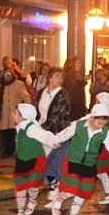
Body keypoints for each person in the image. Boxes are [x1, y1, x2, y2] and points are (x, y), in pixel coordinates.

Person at [49, 104, 109, 215]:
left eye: (104, 124)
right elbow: (63, 135)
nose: (101, 127)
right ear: (92, 117)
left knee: (82, 193)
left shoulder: (105, 132)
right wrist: (54, 141)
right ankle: (59, 198)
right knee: (72, 189)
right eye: (99, 123)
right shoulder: (78, 125)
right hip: (73, 160)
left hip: (89, 164)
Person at [11, 103, 57, 215]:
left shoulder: (31, 128)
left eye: (15, 113)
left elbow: (44, 135)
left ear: (23, 116)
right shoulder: (20, 127)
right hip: (22, 160)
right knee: (20, 187)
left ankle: (32, 201)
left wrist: (54, 141)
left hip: (35, 159)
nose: (12, 115)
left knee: (32, 184)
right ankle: (20, 210)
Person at [37, 67, 71, 203]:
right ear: (50, 78)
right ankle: (54, 188)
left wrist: (42, 131)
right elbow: (38, 111)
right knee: (45, 162)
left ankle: (58, 191)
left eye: (61, 77)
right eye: (57, 76)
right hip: (43, 131)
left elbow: (56, 115)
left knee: (55, 162)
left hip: (58, 133)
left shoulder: (63, 95)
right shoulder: (42, 93)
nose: (60, 79)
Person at [0, 68, 31, 157]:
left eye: (10, 73)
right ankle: (7, 150)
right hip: (4, 114)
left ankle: (13, 150)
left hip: (15, 114)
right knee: (5, 133)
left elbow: (25, 96)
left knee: (14, 133)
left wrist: (27, 106)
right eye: (6, 74)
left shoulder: (18, 84)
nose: (8, 75)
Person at [62, 57, 89, 121]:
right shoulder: (69, 77)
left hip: (75, 108)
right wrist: (83, 81)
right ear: (72, 65)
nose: (80, 65)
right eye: (78, 63)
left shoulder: (75, 76)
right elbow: (73, 93)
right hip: (73, 109)